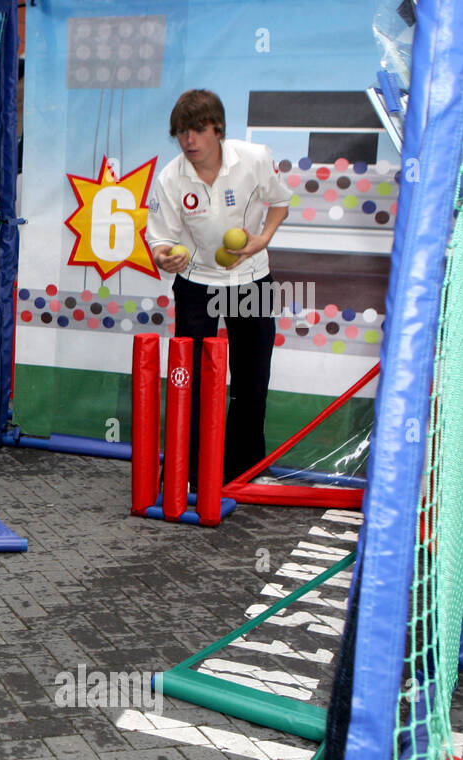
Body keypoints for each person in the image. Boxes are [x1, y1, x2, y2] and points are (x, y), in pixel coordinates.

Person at [148, 89, 291, 488]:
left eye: (197, 130)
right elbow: (160, 239)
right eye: (181, 133)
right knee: (188, 380)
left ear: (218, 130)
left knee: (251, 379)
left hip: (252, 278)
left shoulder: (255, 158)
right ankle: (188, 474)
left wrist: (262, 239)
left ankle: (247, 471)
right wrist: (165, 257)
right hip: (196, 285)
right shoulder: (170, 178)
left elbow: (281, 202)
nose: (189, 141)